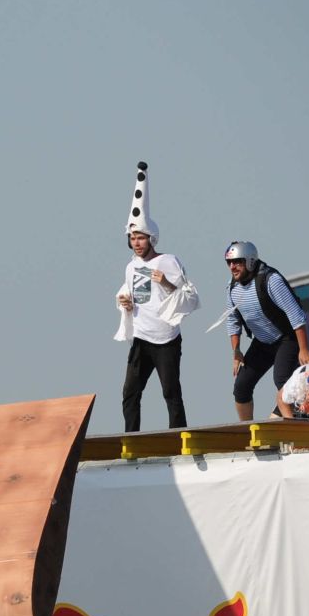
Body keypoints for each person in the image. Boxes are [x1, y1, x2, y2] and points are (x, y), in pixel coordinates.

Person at [113, 163, 193, 431]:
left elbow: (189, 297)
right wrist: (125, 302)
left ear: (152, 239)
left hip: (166, 338)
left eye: (141, 238)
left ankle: (178, 437)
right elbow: (130, 292)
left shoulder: (168, 261)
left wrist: (167, 282)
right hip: (141, 338)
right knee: (130, 393)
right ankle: (131, 440)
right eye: (133, 238)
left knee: (171, 392)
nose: (136, 243)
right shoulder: (130, 266)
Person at [221, 241, 309, 422]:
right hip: (263, 342)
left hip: (286, 339)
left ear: (250, 261)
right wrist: (236, 351)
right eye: (229, 262)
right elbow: (233, 321)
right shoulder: (232, 288)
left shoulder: (271, 280)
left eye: (237, 262)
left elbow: (296, 314)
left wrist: (303, 349)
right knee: (241, 386)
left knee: (282, 382)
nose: (232, 267)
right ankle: (248, 429)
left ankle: (290, 425)